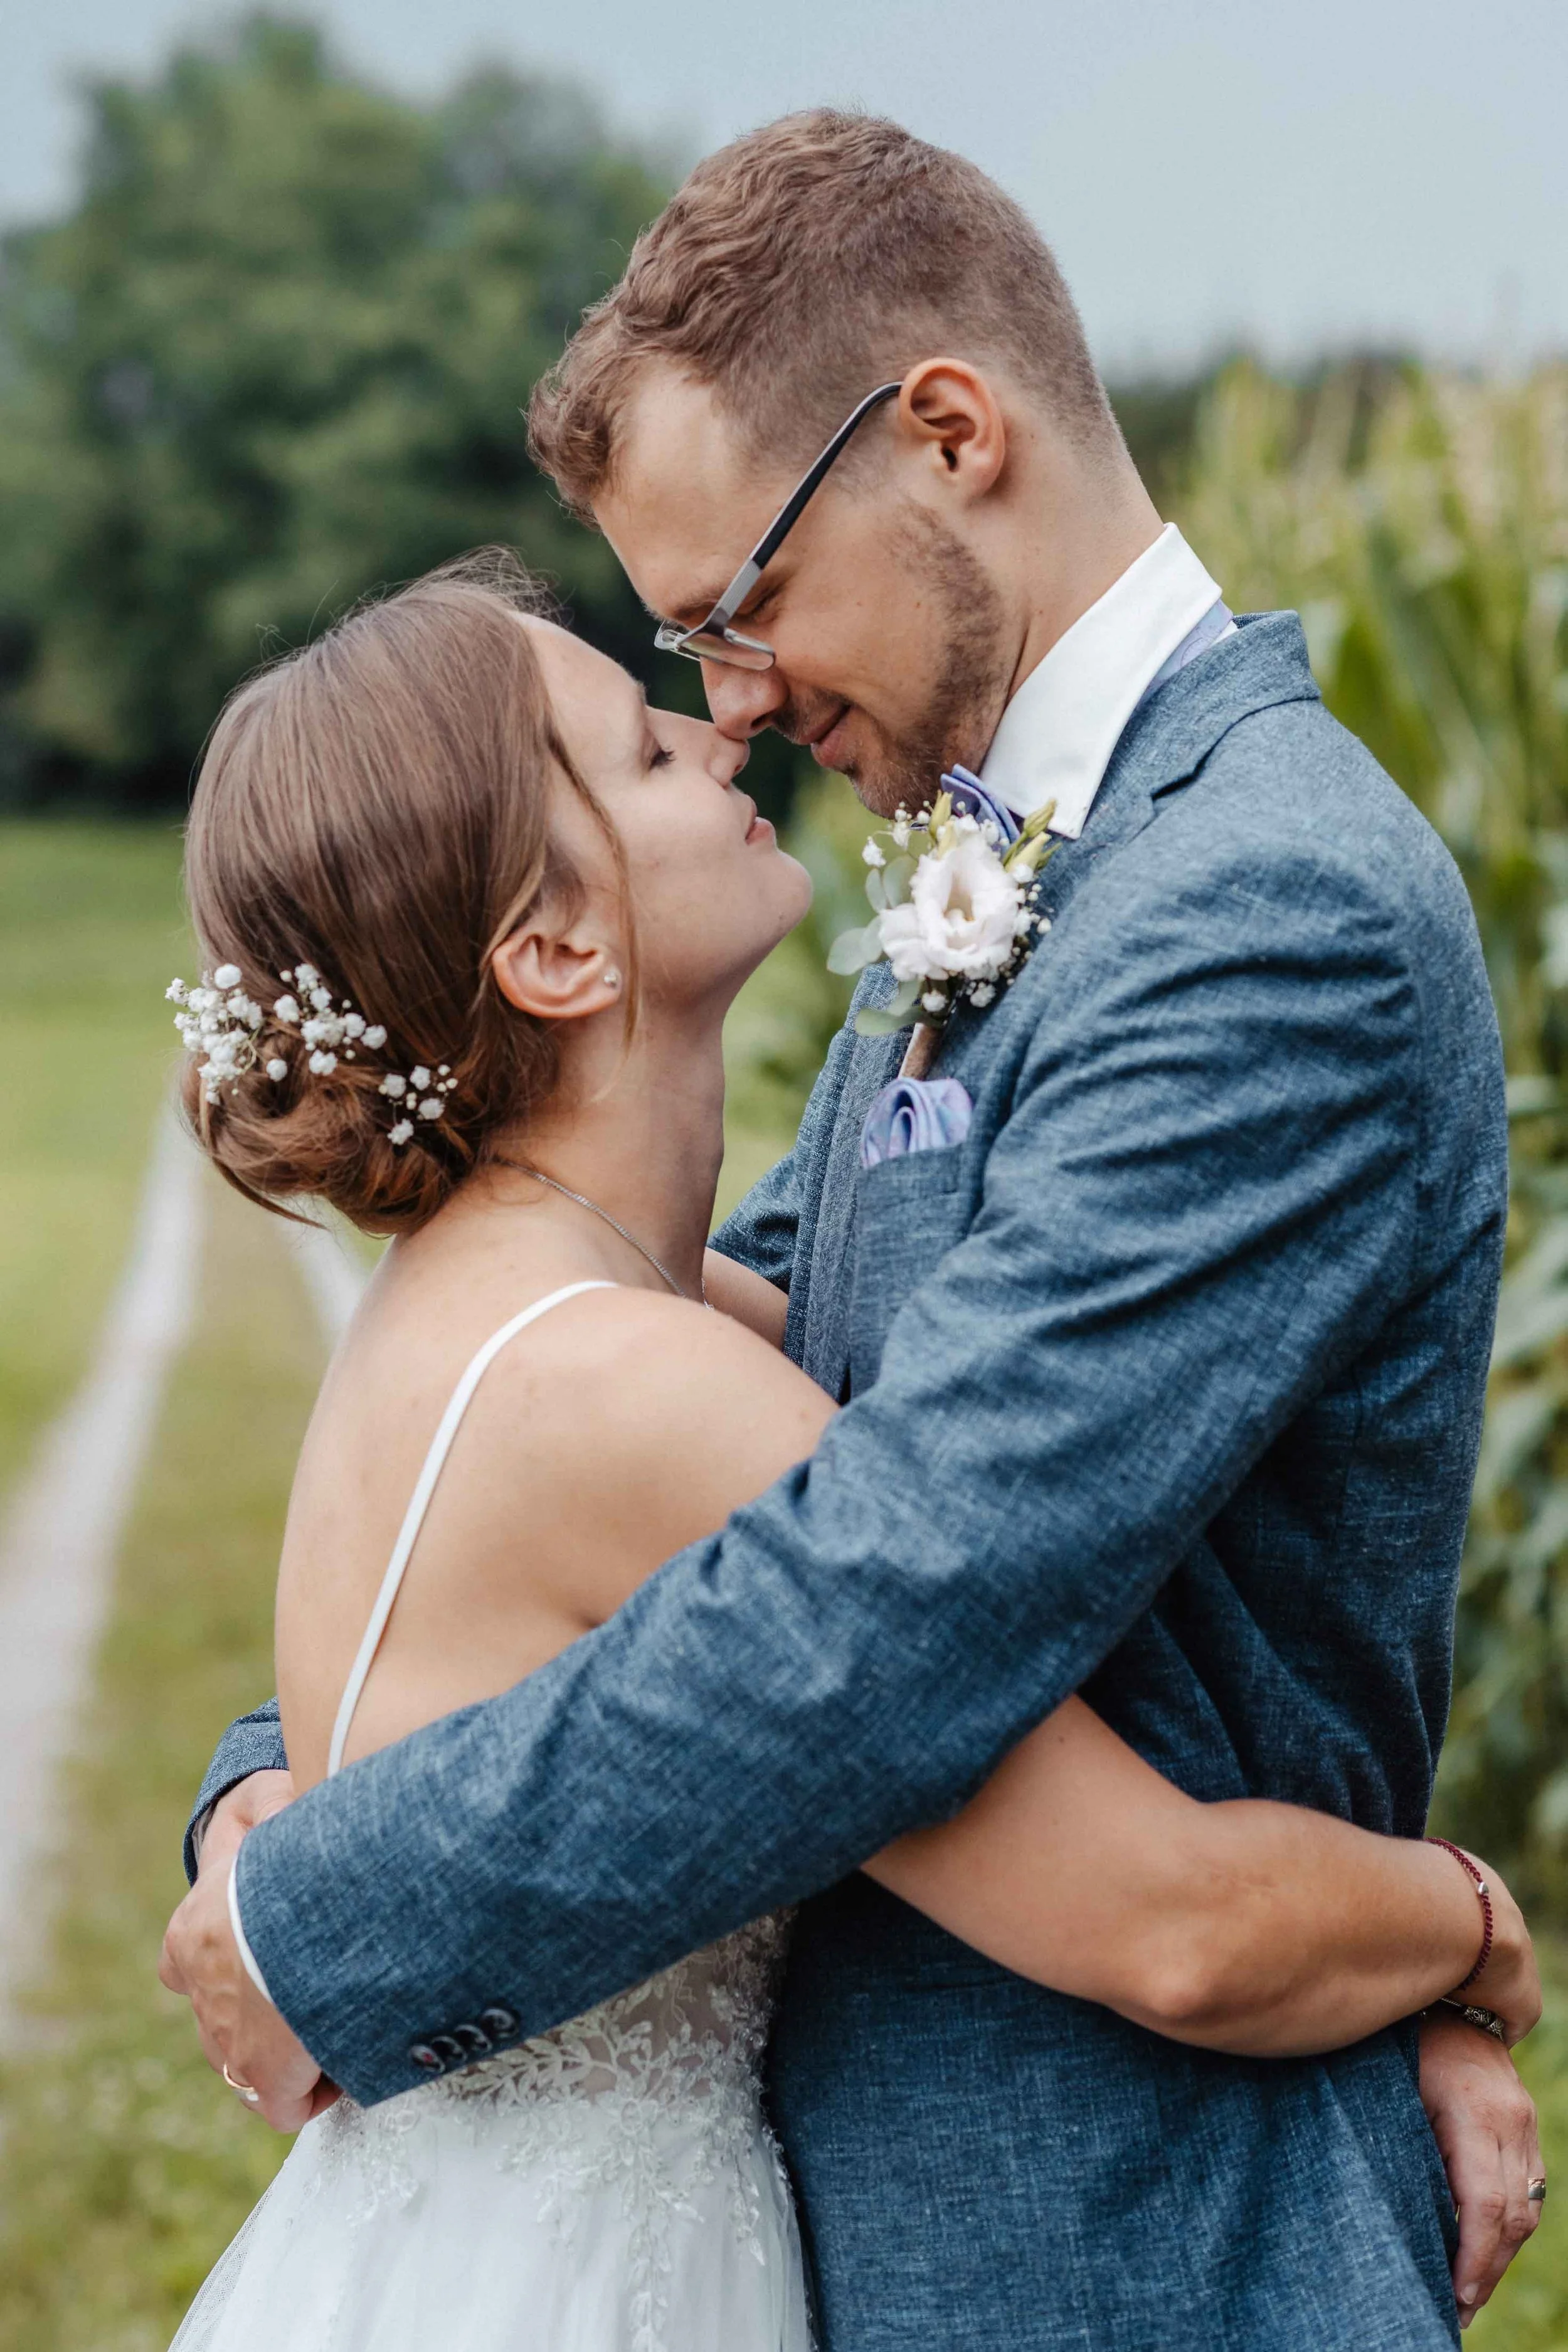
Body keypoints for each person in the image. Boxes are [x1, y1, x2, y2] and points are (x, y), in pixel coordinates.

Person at [164, 117, 1542, 2349]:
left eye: (738, 607)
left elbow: (878, 1584)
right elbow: (659, 1410)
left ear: (947, 434)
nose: (730, 703)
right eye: (671, 655)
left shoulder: (1258, 902)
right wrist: (300, 1757)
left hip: (1117, 2235)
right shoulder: (989, 865)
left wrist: (338, 1887)